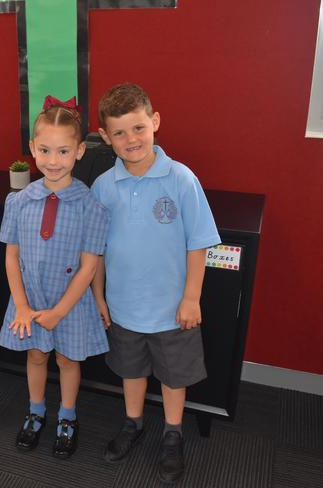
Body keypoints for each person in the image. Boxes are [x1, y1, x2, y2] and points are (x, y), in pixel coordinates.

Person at [91, 83, 220, 484]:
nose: (131, 140)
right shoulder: (103, 187)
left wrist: (192, 298)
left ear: (155, 122)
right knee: (130, 369)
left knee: (173, 375)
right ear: (105, 137)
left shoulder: (181, 179)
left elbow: (199, 244)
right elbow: (94, 251)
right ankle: (133, 422)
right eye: (120, 133)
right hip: (124, 305)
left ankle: (172, 432)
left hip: (171, 309)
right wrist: (98, 296)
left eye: (138, 128)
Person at [0, 96, 110, 459]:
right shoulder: (18, 202)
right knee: (35, 356)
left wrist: (60, 311)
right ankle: (35, 411)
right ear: (32, 148)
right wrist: (21, 305)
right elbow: (12, 256)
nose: (52, 161)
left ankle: (67, 416)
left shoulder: (91, 206)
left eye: (63, 152)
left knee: (67, 360)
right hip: (29, 299)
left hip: (70, 302)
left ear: (79, 151)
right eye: (44, 150)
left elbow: (89, 265)